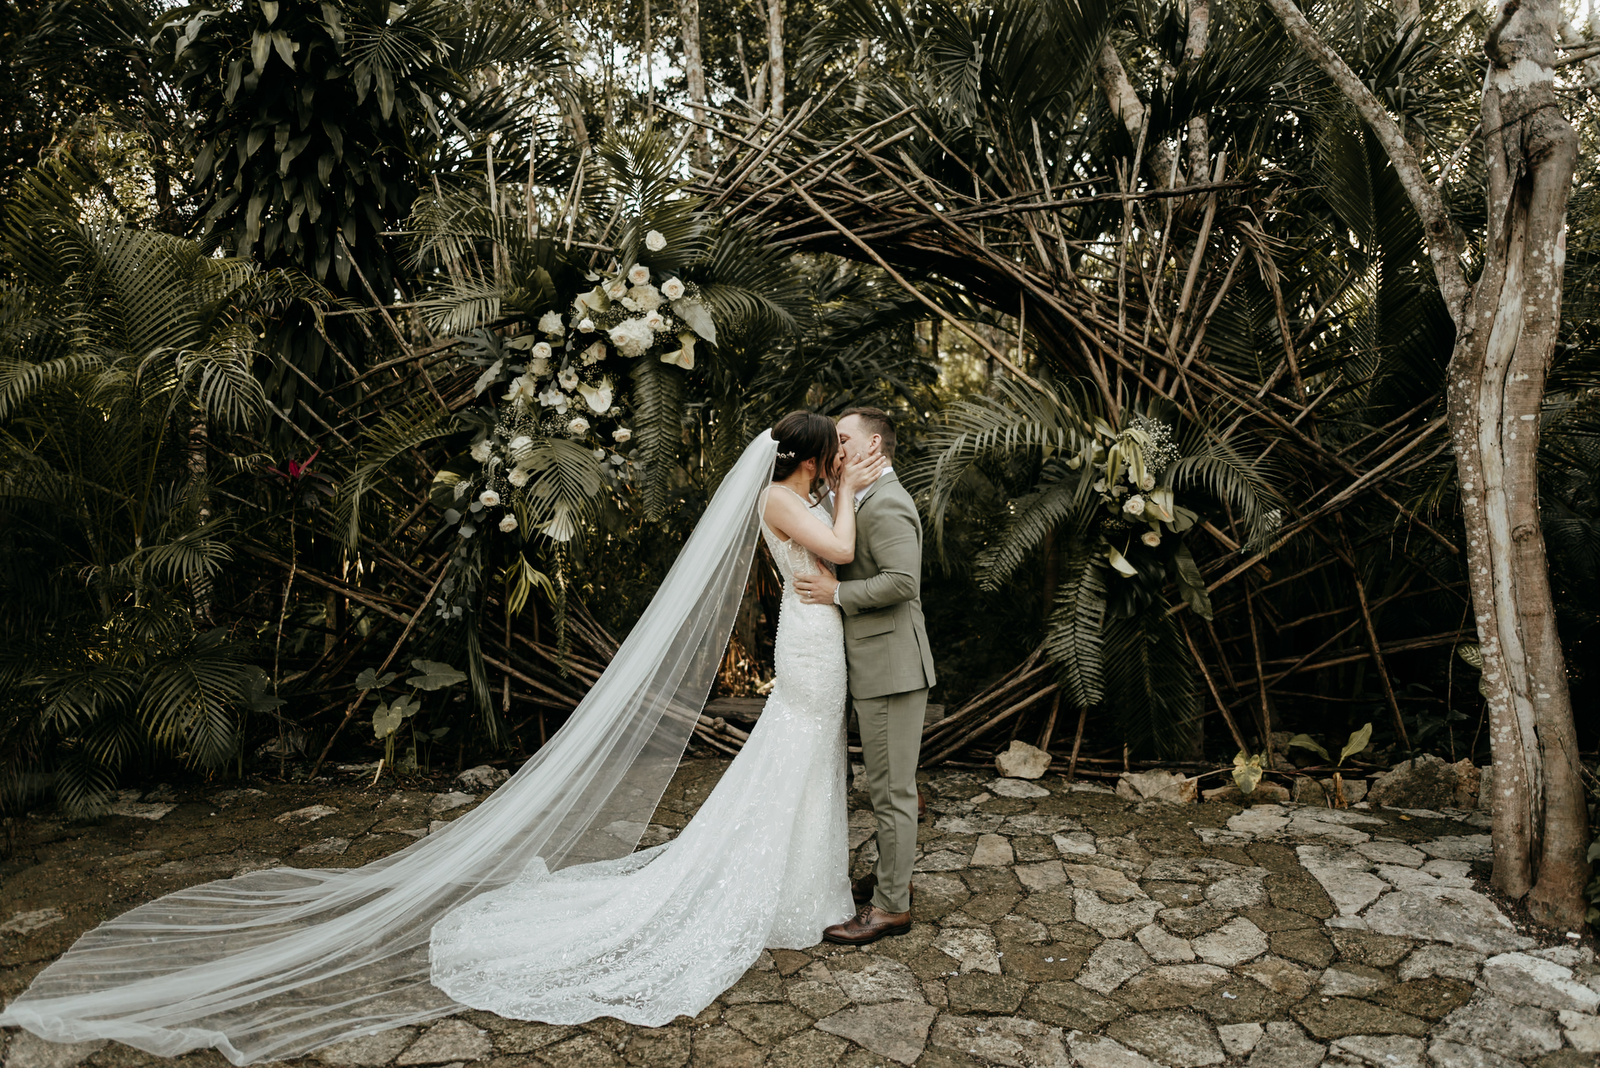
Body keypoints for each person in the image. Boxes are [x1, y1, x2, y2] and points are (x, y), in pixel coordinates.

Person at [0, 412, 889, 1064]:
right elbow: (842, 554)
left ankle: (802, 893)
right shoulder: (787, 500)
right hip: (810, 649)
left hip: (814, 642)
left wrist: (843, 493)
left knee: (802, 761)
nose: (839, 461)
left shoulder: (786, 492)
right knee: (795, 753)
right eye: (833, 454)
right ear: (810, 458)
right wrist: (851, 490)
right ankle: (786, 894)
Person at [794, 408, 936, 944]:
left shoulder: (891, 502)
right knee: (887, 787)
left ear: (872, 444)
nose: (834, 444)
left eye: (842, 437)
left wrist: (837, 594)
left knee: (892, 792)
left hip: (892, 670)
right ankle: (891, 880)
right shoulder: (859, 498)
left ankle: (891, 909)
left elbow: (903, 582)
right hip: (877, 665)